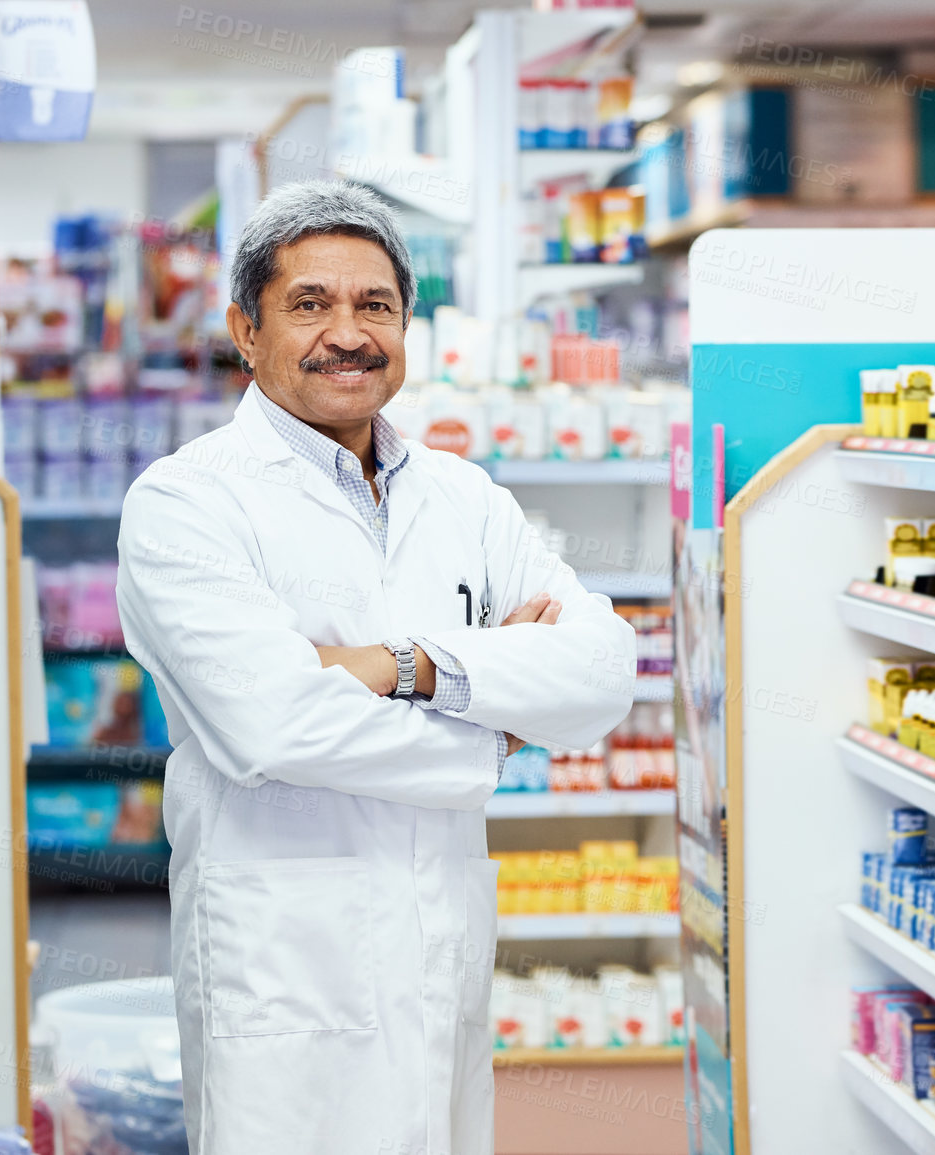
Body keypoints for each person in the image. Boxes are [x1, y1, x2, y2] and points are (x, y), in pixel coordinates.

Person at [116, 180, 636, 1155]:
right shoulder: (187, 503)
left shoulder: (466, 497)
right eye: (309, 304)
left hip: (440, 944)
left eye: (375, 306)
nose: (346, 333)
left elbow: (603, 668)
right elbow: (273, 724)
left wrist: (412, 665)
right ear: (245, 329)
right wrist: (496, 717)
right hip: (285, 966)